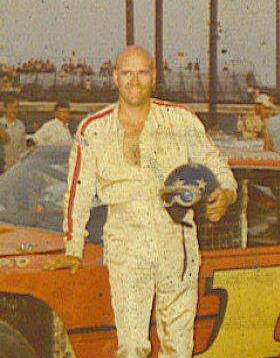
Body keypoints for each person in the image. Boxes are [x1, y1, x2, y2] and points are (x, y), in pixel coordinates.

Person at [44, 46, 237, 358]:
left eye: (142, 72)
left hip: (179, 242)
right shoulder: (93, 129)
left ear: (153, 77)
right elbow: (77, 192)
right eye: (127, 73)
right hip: (126, 243)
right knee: (132, 346)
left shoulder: (181, 120)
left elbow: (216, 164)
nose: (135, 80)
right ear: (115, 78)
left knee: (179, 347)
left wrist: (226, 193)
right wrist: (73, 248)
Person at [0, 99, 26, 171]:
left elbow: (23, 147)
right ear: (5, 109)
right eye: (10, 107)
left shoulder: (21, 125)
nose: (13, 110)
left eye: (15, 107)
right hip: (2, 167)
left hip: (17, 167)